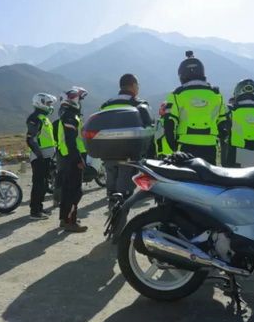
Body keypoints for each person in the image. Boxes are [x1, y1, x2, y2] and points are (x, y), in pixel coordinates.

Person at [163, 51, 228, 165]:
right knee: (207, 175)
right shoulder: (216, 95)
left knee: (186, 175)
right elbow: (224, 124)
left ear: (182, 75)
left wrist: (173, 147)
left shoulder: (177, 94)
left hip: (185, 146)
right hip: (210, 147)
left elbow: (169, 123)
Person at [99, 74, 153, 203]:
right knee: (124, 194)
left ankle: (113, 209)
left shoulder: (106, 105)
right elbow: (149, 132)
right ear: (133, 86)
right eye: (138, 85)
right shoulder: (139, 105)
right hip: (129, 155)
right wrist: (151, 156)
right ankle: (121, 212)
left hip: (108, 154)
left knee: (112, 190)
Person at [56, 88, 88, 232]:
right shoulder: (70, 116)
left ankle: (65, 219)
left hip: (66, 157)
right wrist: (79, 159)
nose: (80, 102)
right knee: (75, 191)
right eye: (79, 99)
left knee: (67, 190)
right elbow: (71, 141)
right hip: (72, 157)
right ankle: (70, 222)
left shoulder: (66, 114)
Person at [26, 93, 57, 219]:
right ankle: (34, 211)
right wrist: (39, 156)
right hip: (39, 157)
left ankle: (39, 208)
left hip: (46, 157)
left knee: (44, 184)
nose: (50, 106)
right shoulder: (35, 118)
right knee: (38, 184)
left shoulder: (44, 118)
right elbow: (30, 139)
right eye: (48, 103)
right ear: (41, 103)